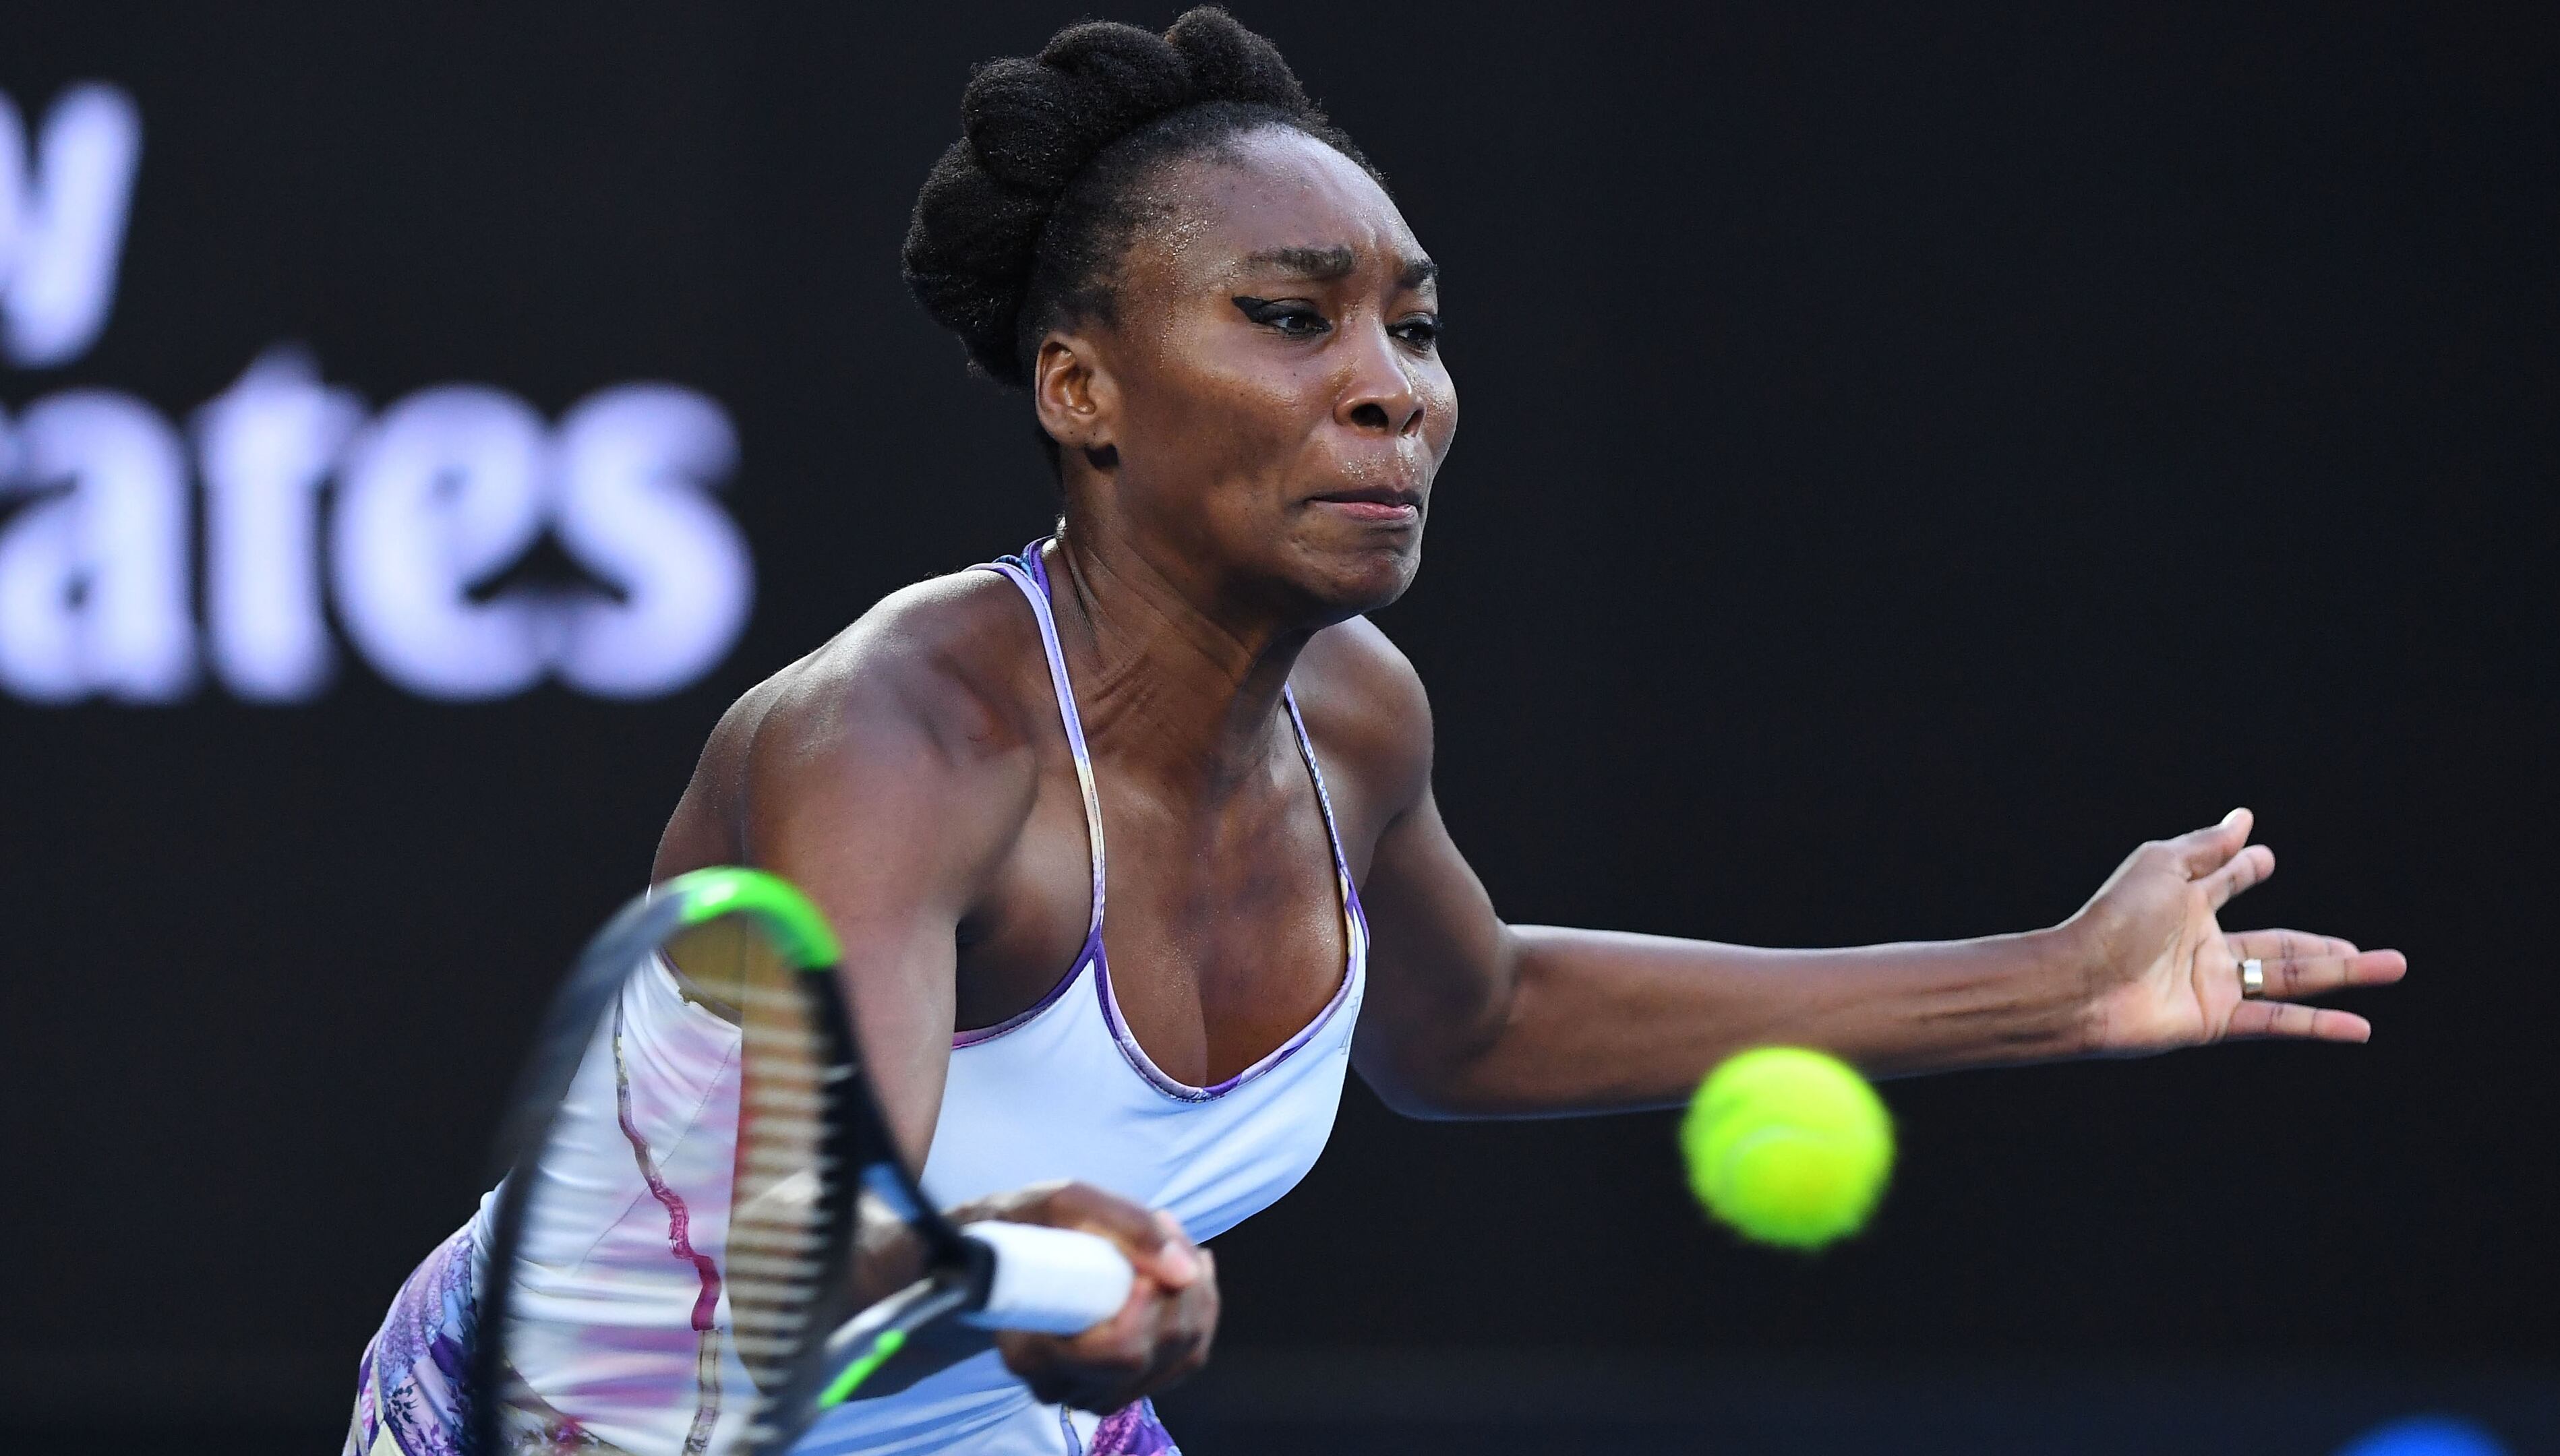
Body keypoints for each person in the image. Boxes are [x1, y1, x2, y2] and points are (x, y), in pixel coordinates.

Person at [344, 9, 2406, 1456]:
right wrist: (1021, 1267)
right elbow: (798, 1260)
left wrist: (2059, 986)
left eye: (1411, 325)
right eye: (1289, 314)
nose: (1390, 387)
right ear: (1084, 388)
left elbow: (1476, 1021)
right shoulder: (898, 741)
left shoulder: (1353, 718)